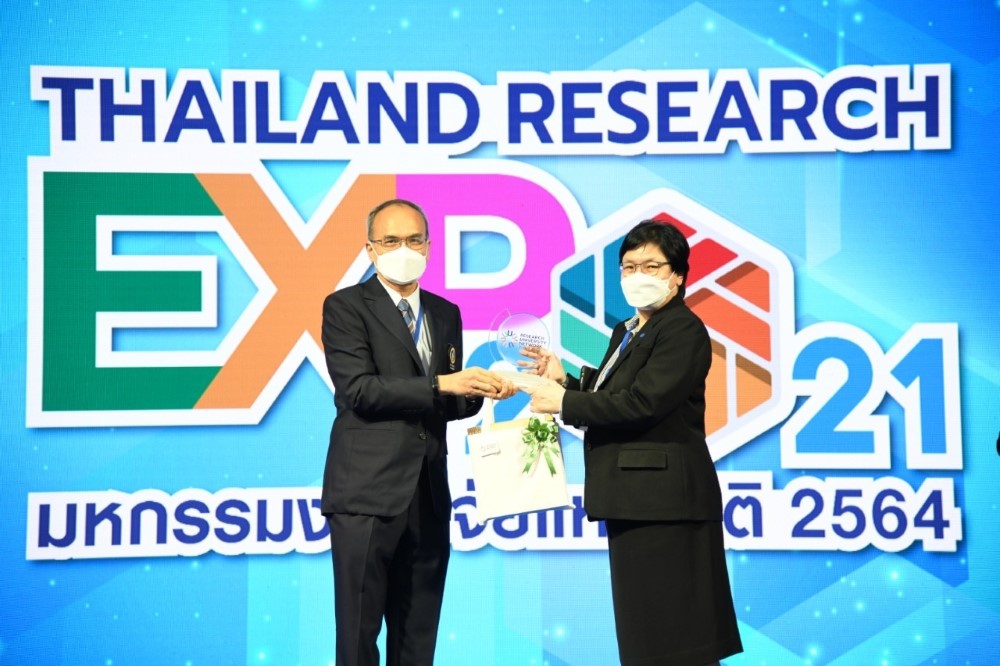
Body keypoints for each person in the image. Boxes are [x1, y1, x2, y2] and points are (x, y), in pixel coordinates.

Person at [523, 220, 743, 666]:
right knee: (647, 636)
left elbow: (643, 404)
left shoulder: (681, 329)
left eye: (651, 266)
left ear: (677, 275)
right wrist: (565, 381)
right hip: (636, 500)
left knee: (677, 640)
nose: (638, 275)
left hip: (665, 504)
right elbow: (612, 398)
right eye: (629, 266)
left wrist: (563, 401)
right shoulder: (628, 330)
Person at [320, 198, 515, 666]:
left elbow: (442, 402)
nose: (403, 249)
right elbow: (359, 390)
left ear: (428, 247)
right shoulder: (346, 306)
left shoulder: (445, 312)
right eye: (390, 241)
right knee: (358, 635)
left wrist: (481, 392)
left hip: (428, 493)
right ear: (370, 249)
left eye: (413, 240)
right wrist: (443, 384)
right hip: (367, 492)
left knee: (418, 636)